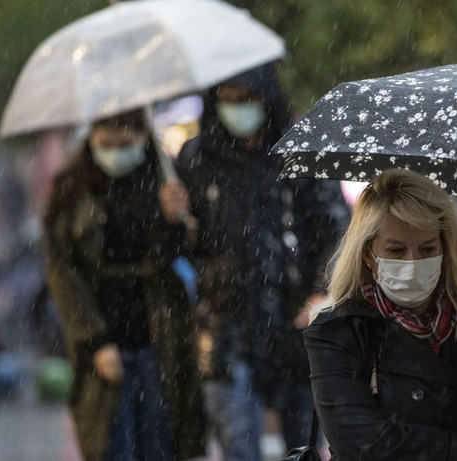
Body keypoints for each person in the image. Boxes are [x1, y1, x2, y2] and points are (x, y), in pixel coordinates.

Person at [159, 63, 349, 460]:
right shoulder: (195, 160)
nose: (236, 109)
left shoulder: (302, 154)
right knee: (238, 445)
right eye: (226, 100)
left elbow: (337, 230)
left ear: (265, 99)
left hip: (296, 321)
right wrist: (169, 218)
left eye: (244, 99)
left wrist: (321, 292)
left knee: (303, 445)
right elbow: (175, 249)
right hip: (226, 328)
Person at [304, 169, 457, 461]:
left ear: (444, 249)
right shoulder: (340, 330)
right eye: (396, 250)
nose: (412, 263)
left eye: (427, 249)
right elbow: (360, 443)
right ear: (368, 254)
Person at [43, 110, 206, 461]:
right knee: (112, 445)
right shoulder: (71, 189)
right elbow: (63, 274)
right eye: (107, 143)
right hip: (102, 336)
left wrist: (174, 221)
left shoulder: (164, 179)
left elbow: (178, 255)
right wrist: (96, 340)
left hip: (158, 336)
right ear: (92, 138)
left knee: (160, 444)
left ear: (144, 139)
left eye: (126, 143)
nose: (116, 152)